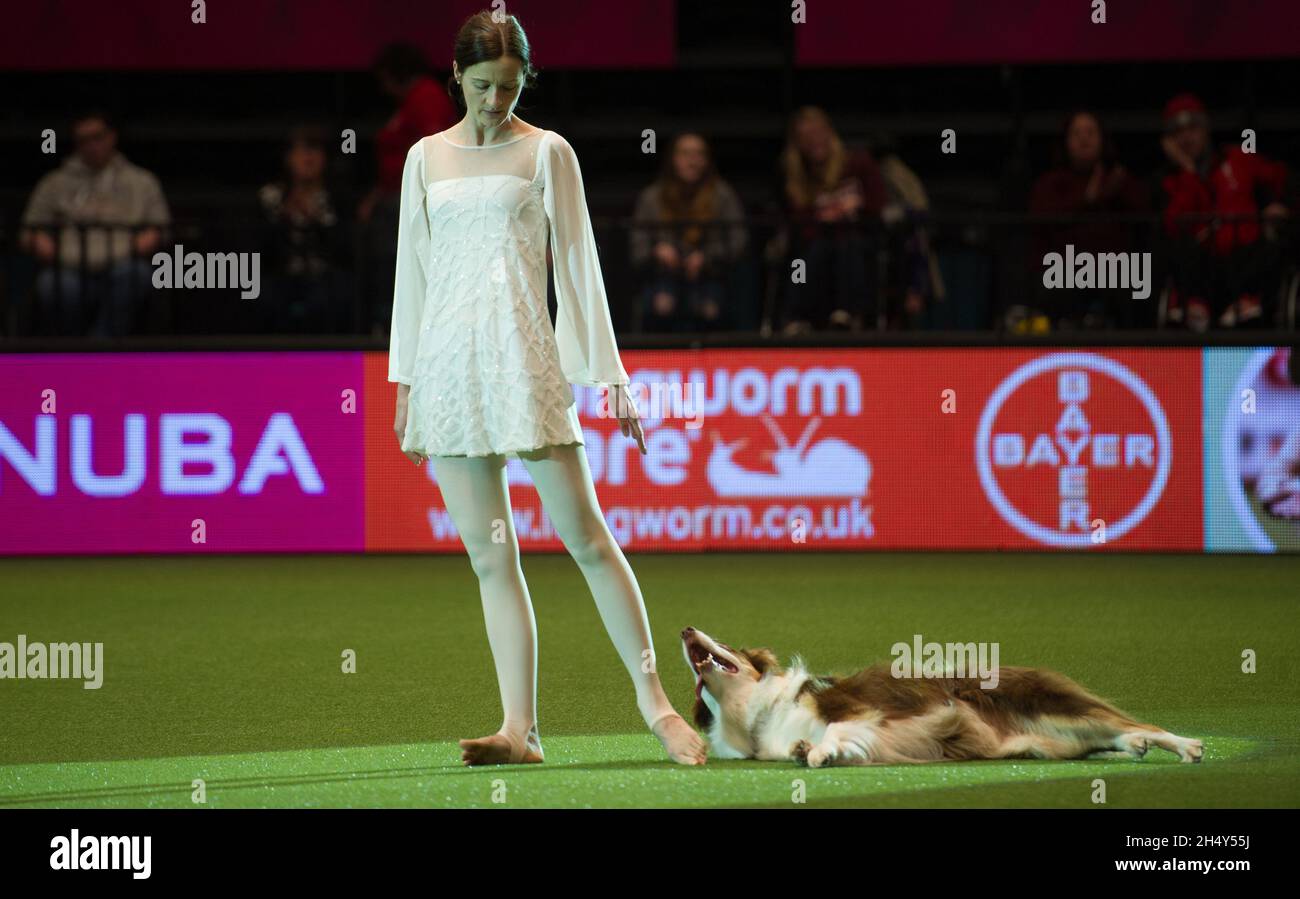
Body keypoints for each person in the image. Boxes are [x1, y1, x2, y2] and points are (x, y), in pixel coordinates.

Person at [388, 11, 707, 767]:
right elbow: (413, 277)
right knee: (491, 559)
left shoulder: (548, 152)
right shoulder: (423, 158)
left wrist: (613, 377)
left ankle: (656, 705)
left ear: (526, 78)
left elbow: (579, 269)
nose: (496, 100)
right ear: (456, 78)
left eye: (509, 86)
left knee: (589, 540)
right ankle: (519, 729)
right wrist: (406, 385)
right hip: (450, 370)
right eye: (482, 86)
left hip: (524, 362)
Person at [19, 109, 170, 336]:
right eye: (83, 140)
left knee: (136, 274)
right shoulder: (53, 183)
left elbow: (160, 229)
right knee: (51, 285)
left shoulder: (141, 182)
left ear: (112, 137)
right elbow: (31, 231)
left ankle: (99, 347)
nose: (91, 146)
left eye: (97, 137)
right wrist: (55, 254)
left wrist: (127, 251)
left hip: (122, 266)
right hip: (69, 269)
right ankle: (72, 350)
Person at [1156, 93, 1291, 330]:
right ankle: (1195, 307)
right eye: (1178, 132)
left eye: (1193, 128)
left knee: (1271, 245)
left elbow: (1281, 177)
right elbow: (1174, 224)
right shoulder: (1170, 181)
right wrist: (1188, 171)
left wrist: (1281, 204)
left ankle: (1248, 301)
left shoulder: (1239, 157)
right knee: (1179, 250)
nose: (1187, 137)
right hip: (1204, 267)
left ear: (1205, 130)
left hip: (1245, 260)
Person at [361, 43, 457, 335]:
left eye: (385, 80)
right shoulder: (410, 101)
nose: (384, 89)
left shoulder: (427, 97)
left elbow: (435, 152)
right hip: (396, 200)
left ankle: (400, 327)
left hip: (417, 203)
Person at [1029, 109, 1150, 329]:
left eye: (1091, 132)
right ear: (1066, 141)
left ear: (1102, 139)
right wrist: (1089, 200)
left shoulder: (1119, 181)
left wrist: (1115, 192)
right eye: (1077, 133)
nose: (1084, 139)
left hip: (1115, 273)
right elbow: (1044, 224)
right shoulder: (1050, 184)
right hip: (1063, 272)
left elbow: (1144, 218)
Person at [776, 106, 886, 334]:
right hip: (815, 247)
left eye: (818, 133)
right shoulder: (797, 178)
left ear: (829, 133)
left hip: (859, 241)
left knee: (846, 246)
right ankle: (797, 320)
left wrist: (857, 207)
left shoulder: (858, 164)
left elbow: (879, 205)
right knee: (810, 255)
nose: (814, 141)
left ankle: (846, 314)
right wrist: (824, 217)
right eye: (806, 138)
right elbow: (798, 225)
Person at [629, 132, 748, 332]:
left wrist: (707, 257)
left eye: (699, 154)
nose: (692, 161)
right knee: (662, 304)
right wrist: (657, 251)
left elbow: (739, 241)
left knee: (710, 308)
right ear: (672, 159)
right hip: (663, 276)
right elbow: (637, 248)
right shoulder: (652, 197)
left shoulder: (722, 195)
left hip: (711, 276)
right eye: (685, 154)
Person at [256, 125, 352, 333]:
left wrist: (317, 220)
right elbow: (260, 249)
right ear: (288, 158)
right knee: (263, 293)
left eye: (314, 149)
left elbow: (346, 249)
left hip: (325, 278)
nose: (308, 157)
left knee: (335, 293)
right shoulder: (271, 196)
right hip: (281, 276)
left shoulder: (337, 199)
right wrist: (284, 217)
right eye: (301, 150)